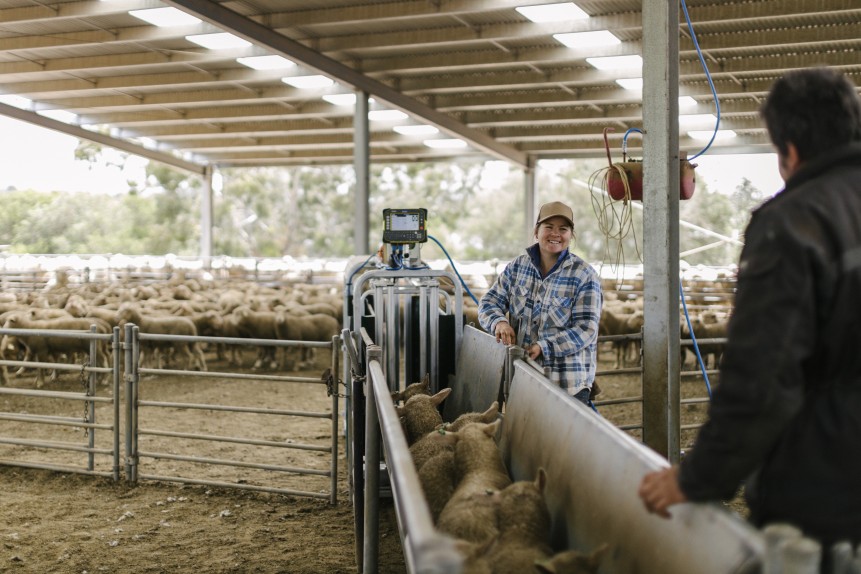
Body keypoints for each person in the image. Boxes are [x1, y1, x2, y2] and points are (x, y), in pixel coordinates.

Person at [638, 67, 861, 557]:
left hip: (827, 491)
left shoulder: (795, 223)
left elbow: (763, 379)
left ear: (791, 151)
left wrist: (699, 478)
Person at [478, 201, 602, 405]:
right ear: (536, 231)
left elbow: (586, 329)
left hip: (566, 384)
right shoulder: (517, 267)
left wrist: (544, 347)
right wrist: (499, 322)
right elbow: (489, 302)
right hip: (521, 378)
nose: (556, 234)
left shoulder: (584, 275)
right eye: (549, 227)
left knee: (564, 438)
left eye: (563, 229)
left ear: (571, 235)